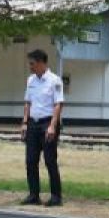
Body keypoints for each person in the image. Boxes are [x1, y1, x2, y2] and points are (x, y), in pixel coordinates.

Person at [20, 48, 64, 206]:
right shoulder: (30, 80)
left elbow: (58, 104)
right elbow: (28, 102)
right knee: (30, 160)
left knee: (50, 160)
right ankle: (33, 194)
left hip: (47, 123)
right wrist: (25, 122)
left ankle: (56, 196)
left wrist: (52, 126)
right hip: (33, 123)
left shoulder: (55, 80)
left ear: (41, 63)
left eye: (32, 63)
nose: (30, 67)